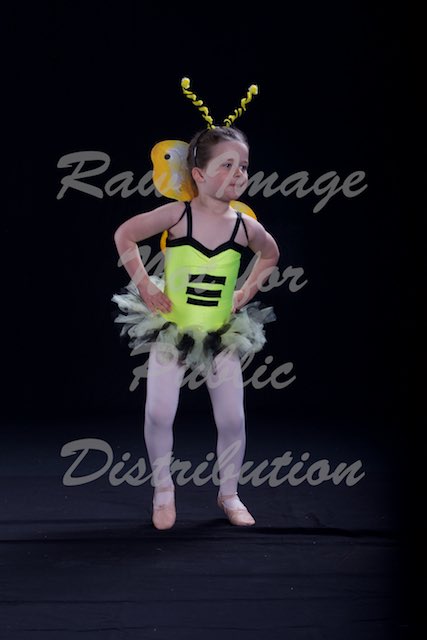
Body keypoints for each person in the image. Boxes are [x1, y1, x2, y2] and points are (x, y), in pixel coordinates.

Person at [112, 83, 280, 530]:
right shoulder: (177, 216)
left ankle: (230, 493)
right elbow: (125, 234)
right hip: (172, 326)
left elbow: (270, 255)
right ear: (199, 174)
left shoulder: (244, 226)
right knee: (158, 412)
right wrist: (145, 286)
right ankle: (163, 490)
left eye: (243, 166)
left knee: (232, 418)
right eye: (227, 165)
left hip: (221, 330)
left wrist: (246, 291)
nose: (238, 173)